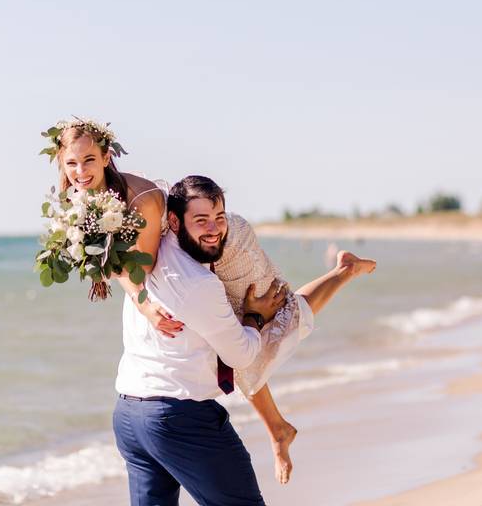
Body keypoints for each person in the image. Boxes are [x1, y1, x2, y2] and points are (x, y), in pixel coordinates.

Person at [48, 118, 375, 486]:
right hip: (169, 412)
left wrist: (144, 297)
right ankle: (279, 427)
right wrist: (141, 298)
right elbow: (136, 266)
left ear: (107, 156)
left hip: (223, 250)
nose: (80, 171)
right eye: (71, 164)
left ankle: (342, 272)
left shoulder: (160, 225)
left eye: (88, 160)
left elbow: (143, 265)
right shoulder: (88, 200)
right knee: (246, 336)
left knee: (282, 315)